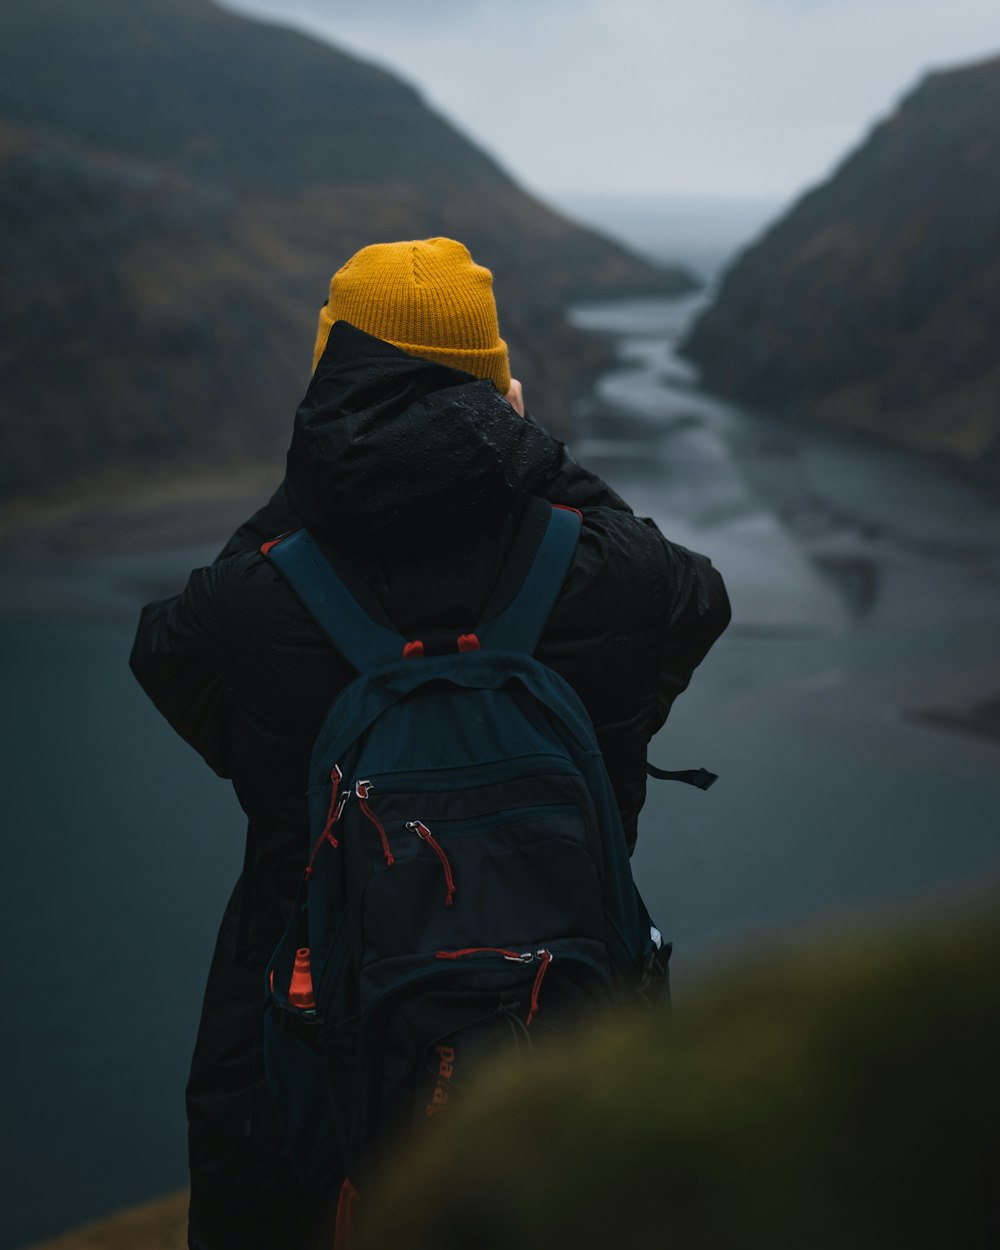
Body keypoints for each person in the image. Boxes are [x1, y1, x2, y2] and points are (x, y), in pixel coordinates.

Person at [130, 236, 731, 1250]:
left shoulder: (251, 601)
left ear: (332, 376)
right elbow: (690, 596)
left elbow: (174, 658)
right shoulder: (617, 577)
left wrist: (309, 485)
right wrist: (527, 448)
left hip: (297, 1063)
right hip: (566, 1041)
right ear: (495, 379)